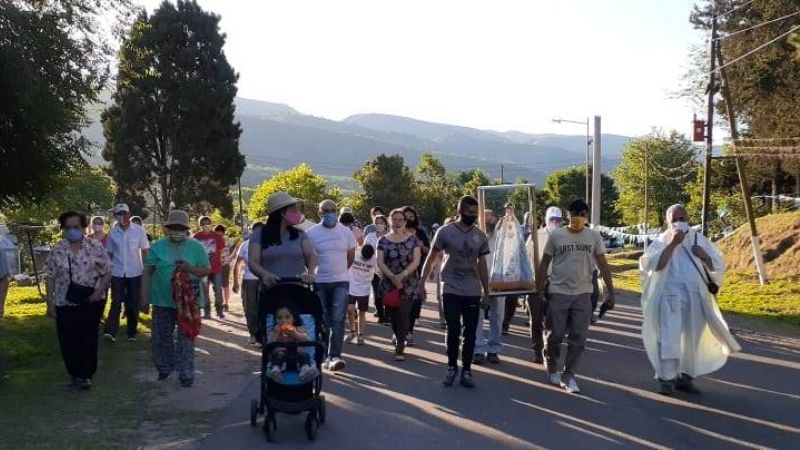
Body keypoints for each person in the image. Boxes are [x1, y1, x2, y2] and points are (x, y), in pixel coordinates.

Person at [639, 204, 740, 395]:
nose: (679, 223)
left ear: (688, 219)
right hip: (670, 297)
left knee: (693, 339)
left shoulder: (699, 239)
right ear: (667, 222)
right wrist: (673, 244)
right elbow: (654, 266)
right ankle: (667, 379)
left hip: (696, 297)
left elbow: (717, 265)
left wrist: (705, 256)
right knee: (669, 338)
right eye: (674, 219)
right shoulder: (661, 241)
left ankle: (686, 377)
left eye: (682, 218)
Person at [535, 199, 615, 394]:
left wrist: (610, 293)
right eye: (574, 213)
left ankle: (569, 375)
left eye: (582, 213)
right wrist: (539, 292)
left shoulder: (593, 237)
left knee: (578, 338)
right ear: (567, 216)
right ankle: (551, 364)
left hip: (583, 293)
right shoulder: (557, 236)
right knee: (556, 335)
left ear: (587, 216)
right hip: (558, 292)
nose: (578, 217)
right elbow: (544, 263)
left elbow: (603, 264)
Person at [420, 196, 491, 388]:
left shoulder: (480, 236)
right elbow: (432, 257)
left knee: (470, 332)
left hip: (472, 287)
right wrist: (421, 283)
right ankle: (452, 367)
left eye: (476, 213)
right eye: (469, 213)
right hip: (450, 285)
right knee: (453, 329)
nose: (473, 216)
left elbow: (482, 264)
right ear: (460, 211)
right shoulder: (445, 232)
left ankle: (466, 370)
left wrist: (487, 291)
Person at [141, 209, 211, 387]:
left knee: (186, 336)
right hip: (162, 300)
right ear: (168, 229)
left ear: (186, 229)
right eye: (173, 228)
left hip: (188, 301)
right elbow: (147, 272)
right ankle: (164, 368)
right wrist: (143, 297)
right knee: (161, 336)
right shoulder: (158, 247)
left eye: (180, 228)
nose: (176, 231)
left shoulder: (196, 247)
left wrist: (190, 269)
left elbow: (206, 270)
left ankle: (186, 373)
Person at [45, 211, 112, 390]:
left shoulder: (95, 247)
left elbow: (107, 272)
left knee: (87, 337)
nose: (72, 230)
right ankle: (75, 374)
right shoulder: (57, 250)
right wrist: (49, 302)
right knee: (68, 339)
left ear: (83, 227)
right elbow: (50, 276)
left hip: (90, 300)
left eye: (76, 227)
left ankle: (86, 374)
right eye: (68, 227)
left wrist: (98, 292)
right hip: (64, 301)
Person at [248, 192, 318, 340]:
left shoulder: (300, 235)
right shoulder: (259, 234)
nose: (297, 212)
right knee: (271, 330)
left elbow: (311, 256)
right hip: (272, 292)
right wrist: (264, 274)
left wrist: (311, 273)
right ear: (281, 213)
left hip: (299, 291)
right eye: (293, 209)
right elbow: (253, 261)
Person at [307, 199, 356, 371]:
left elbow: (351, 256)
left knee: (337, 320)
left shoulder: (346, 232)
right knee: (322, 319)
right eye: (325, 210)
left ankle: (335, 356)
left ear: (337, 211)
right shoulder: (311, 233)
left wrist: (341, 271)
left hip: (340, 282)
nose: (329, 213)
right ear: (319, 213)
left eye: (333, 210)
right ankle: (321, 355)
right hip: (320, 283)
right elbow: (308, 259)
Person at [377, 209, 422, 361]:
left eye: (400, 219)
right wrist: (392, 276)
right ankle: (397, 335)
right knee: (392, 314)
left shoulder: (413, 240)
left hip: (408, 282)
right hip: (389, 283)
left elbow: (416, 261)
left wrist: (402, 276)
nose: (397, 222)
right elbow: (380, 262)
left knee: (403, 313)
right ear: (389, 221)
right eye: (394, 219)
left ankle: (400, 347)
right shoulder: (382, 240)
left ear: (404, 221)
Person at [103, 203, 150, 343]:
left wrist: (146, 268)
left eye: (125, 213)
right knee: (116, 301)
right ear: (116, 216)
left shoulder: (139, 231)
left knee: (133, 302)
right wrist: (107, 270)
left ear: (129, 214)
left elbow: (145, 250)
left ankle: (132, 333)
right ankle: (111, 332)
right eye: (119, 214)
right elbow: (109, 254)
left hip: (135, 271)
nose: (123, 216)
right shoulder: (112, 233)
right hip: (117, 272)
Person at [526, 206, 563, 364]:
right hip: (537, 282)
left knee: (556, 319)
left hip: (559, 283)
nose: (554, 223)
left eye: (558, 220)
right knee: (536, 318)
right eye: (551, 220)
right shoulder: (535, 237)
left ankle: (553, 347)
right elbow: (526, 259)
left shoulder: (566, 237)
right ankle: (537, 350)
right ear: (546, 220)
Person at [474, 209, 505, 365]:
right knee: (476, 316)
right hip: (477, 280)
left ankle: (493, 349)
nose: (488, 219)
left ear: (495, 218)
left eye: (490, 216)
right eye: (484, 216)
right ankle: (478, 349)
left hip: (499, 280)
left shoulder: (502, 235)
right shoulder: (474, 235)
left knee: (497, 315)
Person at [266, 303, 321, 383]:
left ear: (294, 318)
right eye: (279, 318)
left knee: (304, 355)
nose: (283, 321)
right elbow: (269, 344)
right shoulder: (276, 330)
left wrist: (295, 334)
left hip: (297, 355)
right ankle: (275, 370)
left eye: (287, 317)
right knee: (278, 356)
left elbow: (307, 339)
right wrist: (276, 333)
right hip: (282, 355)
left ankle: (305, 371)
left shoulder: (299, 329)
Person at [233, 222, 264, 345]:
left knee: (263, 308)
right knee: (250, 308)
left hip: (264, 280)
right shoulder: (245, 245)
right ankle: (252, 333)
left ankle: (263, 335)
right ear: (251, 231)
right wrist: (235, 281)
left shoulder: (269, 245)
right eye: (254, 230)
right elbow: (237, 264)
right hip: (249, 280)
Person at [402, 206, 429, 345]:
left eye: (411, 217)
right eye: (406, 217)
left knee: (413, 304)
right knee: (399, 305)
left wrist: (421, 245)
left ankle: (409, 332)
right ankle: (399, 331)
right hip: (399, 274)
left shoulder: (421, 232)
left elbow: (429, 250)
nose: (408, 220)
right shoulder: (397, 233)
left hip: (417, 273)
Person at [194, 216, 227, 319]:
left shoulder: (217, 236)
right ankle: (207, 312)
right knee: (204, 291)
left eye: (208, 223)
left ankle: (219, 310)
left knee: (218, 290)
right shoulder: (196, 237)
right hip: (202, 269)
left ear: (211, 224)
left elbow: (221, 251)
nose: (206, 225)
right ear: (200, 225)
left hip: (216, 268)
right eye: (203, 224)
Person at [347, 238, 378, 345]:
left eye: (367, 259)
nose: (366, 260)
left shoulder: (373, 259)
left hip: (364, 289)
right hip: (351, 286)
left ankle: (361, 335)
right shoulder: (355, 254)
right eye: (364, 258)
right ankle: (352, 331)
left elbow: (378, 271)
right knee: (350, 309)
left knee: (362, 312)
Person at [366, 214, 390, 324]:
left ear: (386, 223)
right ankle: (381, 315)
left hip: (388, 270)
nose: (379, 225)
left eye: (381, 222)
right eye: (377, 223)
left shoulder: (390, 236)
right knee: (377, 294)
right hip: (373, 269)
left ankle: (388, 314)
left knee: (388, 293)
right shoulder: (370, 236)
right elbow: (365, 252)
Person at [214, 224, 234, 312]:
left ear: (223, 232)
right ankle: (219, 303)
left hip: (225, 265)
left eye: (220, 232)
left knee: (225, 285)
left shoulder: (226, 240)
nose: (219, 234)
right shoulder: (213, 241)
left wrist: (230, 258)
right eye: (217, 232)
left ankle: (226, 303)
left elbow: (233, 249)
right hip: (216, 265)